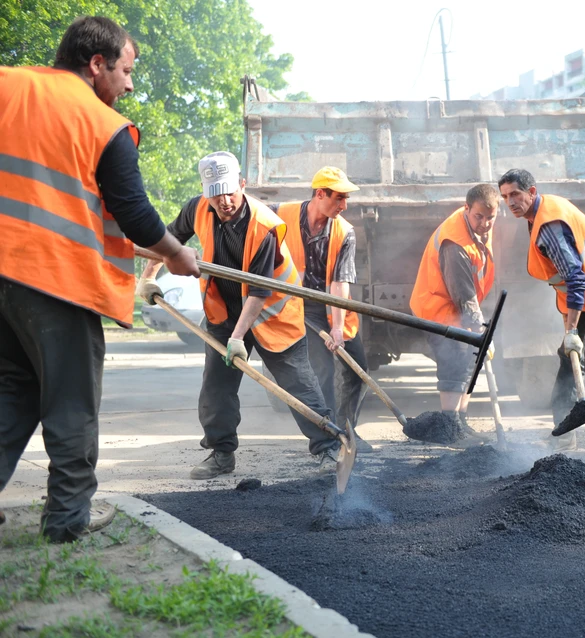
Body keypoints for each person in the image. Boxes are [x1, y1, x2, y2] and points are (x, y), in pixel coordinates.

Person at [0, 16, 199, 542]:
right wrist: (177, 254)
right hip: (54, 283)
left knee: (12, 393)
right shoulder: (103, 125)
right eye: (127, 70)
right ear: (97, 64)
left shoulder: (6, 83)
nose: (130, 84)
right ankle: (67, 523)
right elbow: (135, 215)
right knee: (71, 406)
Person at [137, 151, 342, 479]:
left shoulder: (264, 226)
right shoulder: (198, 207)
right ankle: (221, 454)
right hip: (225, 311)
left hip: (273, 313)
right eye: (215, 194)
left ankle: (329, 448)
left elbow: (259, 292)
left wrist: (237, 339)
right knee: (216, 386)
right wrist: (148, 276)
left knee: (297, 385)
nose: (223, 201)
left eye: (229, 192)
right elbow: (168, 241)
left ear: (242, 184)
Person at [498, 169, 585, 451]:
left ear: (532, 192)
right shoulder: (537, 215)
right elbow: (565, 280)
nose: (510, 202)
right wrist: (570, 328)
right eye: (505, 197)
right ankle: (563, 436)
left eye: (515, 194)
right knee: (566, 359)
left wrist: (572, 329)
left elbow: (575, 278)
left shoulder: (549, 226)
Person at [272, 167, 373, 452]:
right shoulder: (281, 214)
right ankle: (330, 436)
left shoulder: (345, 232)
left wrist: (338, 329)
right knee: (322, 371)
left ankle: (348, 430)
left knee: (358, 368)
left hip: (333, 307)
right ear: (320, 194)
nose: (344, 205)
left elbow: (340, 282)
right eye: (339, 198)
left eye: (346, 198)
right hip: (295, 305)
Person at [410, 184, 499, 434]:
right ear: (467, 208)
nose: (484, 223)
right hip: (438, 307)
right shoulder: (455, 243)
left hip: (458, 305)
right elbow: (464, 296)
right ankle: (449, 424)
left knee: (470, 359)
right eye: (478, 217)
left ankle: (460, 421)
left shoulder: (480, 226)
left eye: (490, 218)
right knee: (455, 358)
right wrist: (483, 333)